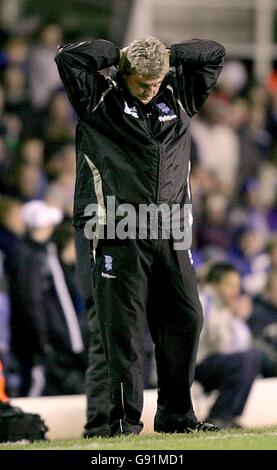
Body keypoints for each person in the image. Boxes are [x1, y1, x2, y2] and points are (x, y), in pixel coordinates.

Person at [55, 35, 226, 436]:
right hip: (116, 228)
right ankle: (123, 423)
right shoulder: (97, 97)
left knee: (186, 317)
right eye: (142, 83)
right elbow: (68, 58)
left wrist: (167, 55)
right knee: (124, 329)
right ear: (124, 73)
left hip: (169, 228)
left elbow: (214, 53)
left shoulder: (179, 93)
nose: (150, 90)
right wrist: (118, 54)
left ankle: (176, 416)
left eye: (156, 82)